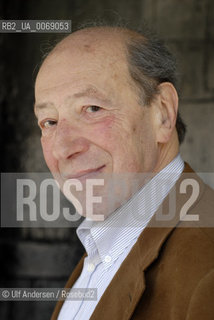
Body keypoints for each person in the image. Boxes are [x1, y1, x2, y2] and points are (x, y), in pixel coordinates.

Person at [34, 25, 214, 319]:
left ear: (163, 113)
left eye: (92, 109)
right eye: (49, 122)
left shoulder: (207, 266)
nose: (63, 149)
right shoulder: (102, 244)